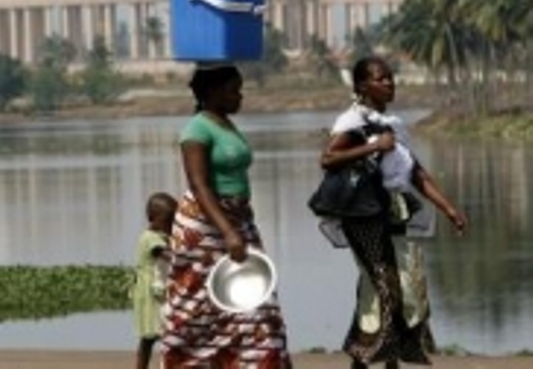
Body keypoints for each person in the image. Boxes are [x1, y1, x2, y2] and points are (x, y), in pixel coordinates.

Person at [322, 56, 468, 368]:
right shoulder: (352, 122)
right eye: (380, 78)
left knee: (401, 284)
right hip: (363, 214)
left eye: (390, 77)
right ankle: (367, 358)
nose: (389, 83)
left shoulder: (395, 125)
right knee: (384, 284)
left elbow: (415, 172)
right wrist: (374, 147)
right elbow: (329, 158)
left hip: (395, 210)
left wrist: (449, 208)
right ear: (362, 86)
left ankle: (386, 361)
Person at [160, 63, 292, 368]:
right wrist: (227, 231)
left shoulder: (225, 124)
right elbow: (199, 184)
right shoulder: (196, 130)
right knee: (200, 311)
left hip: (239, 221)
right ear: (213, 92)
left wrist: (238, 227)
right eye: (234, 90)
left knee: (258, 306)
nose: (240, 96)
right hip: (205, 229)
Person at [132, 191, 178, 369]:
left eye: (174, 221)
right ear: (152, 217)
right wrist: (189, 257)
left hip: (160, 291)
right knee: (150, 336)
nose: (171, 225)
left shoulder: (164, 237)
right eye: (168, 220)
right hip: (150, 295)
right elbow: (167, 255)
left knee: (161, 334)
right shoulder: (149, 239)